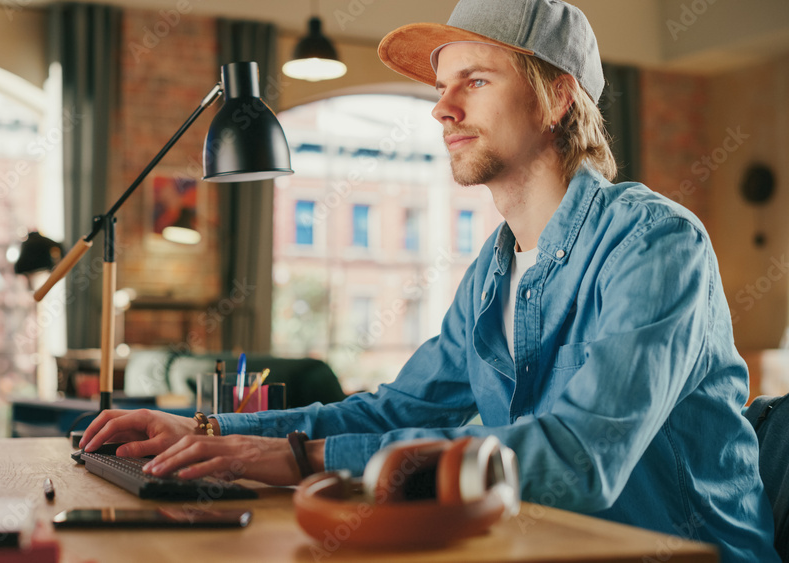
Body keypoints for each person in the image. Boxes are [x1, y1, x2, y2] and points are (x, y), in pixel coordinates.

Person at [80, 0, 779, 559]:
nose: (442, 110)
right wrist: (206, 429)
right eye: (442, 89)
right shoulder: (491, 272)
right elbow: (393, 412)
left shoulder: (654, 242)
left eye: (474, 81)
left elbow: (579, 458)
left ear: (558, 97)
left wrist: (297, 455)